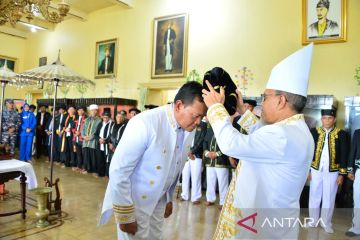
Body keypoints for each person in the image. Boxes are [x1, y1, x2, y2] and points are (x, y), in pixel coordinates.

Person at [202, 44, 314, 239]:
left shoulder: (283, 135)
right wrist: (243, 111)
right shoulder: (294, 129)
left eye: (265, 97)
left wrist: (214, 108)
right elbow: (260, 137)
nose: (262, 102)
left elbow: (231, 144)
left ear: (281, 101)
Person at [100, 81, 207, 240]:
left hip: (159, 199)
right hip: (134, 201)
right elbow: (118, 170)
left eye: (201, 116)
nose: (199, 122)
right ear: (179, 106)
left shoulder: (187, 126)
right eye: (196, 116)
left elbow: (174, 165)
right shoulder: (145, 123)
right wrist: (125, 215)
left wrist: (168, 198)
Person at [307, 109, 349, 233]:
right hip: (315, 169)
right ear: (321, 119)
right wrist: (309, 169)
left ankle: (326, 223)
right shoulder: (314, 132)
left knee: (329, 197)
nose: (327, 120)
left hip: (333, 171)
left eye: (330, 118)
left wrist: (342, 173)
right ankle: (313, 221)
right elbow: (309, 151)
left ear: (334, 119)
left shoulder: (342, 134)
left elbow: (344, 154)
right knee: (314, 195)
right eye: (324, 118)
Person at [180, 117, 207, 204]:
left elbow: (201, 140)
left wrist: (192, 151)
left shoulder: (203, 125)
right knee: (185, 175)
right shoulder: (187, 123)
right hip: (186, 154)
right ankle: (184, 195)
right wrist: (187, 151)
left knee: (196, 177)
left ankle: (195, 198)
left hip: (196, 155)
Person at [203, 124, 230, 209]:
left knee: (223, 183)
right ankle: (210, 199)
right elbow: (205, 142)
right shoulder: (209, 129)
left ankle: (223, 202)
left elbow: (227, 143)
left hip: (221, 160)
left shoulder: (226, 129)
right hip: (210, 161)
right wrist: (207, 153)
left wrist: (217, 153)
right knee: (210, 181)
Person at [346, 129, 360, 237]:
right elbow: (353, 150)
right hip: (359, 169)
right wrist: (350, 169)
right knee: (358, 199)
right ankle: (356, 228)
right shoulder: (358, 132)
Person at [81, 104, 102, 175]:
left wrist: (89, 138)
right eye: (91, 110)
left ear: (96, 111)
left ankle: (93, 170)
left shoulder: (99, 120)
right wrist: (84, 136)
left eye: (94, 110)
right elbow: (83, 129)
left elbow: (96, 131)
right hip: (85, 141)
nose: (93, 112)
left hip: (93, 141)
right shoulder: (86, 120)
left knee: (93, 156)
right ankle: (87, 168)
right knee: (86, 155)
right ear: (90, 111)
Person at [108, 110, 128, 177]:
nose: (119, 118)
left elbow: (126, 139)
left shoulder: (126, 126)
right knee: (111, 161)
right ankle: (111, 175)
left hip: (120, 148)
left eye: (121, 117)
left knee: (119, 164)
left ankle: (117, 177)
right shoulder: (113, 124)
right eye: (118, 117)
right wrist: (110, 143)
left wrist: (117, 147)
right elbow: (110, 135)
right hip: (112, 147)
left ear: (124, 117)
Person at [95, 109, 114, 178]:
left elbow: (112, 135)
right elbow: (96, 134)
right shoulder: (100, 123)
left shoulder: (112, 124)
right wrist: (99, 139)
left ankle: (107, 174)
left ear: (109, 117)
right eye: (104, 117)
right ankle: (100, 173)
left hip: (107, 145)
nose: (105, 119)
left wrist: (105, 141)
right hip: (100, 144)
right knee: (100, 159)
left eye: (107, 117)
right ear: (102, 117)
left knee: (107, 160)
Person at [72, 105, 87, 172]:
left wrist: (80, 133)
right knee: (78, 154)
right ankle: (79, 166)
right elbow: (72, 127)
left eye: (82, 110)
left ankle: (84, 167)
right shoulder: (76, 118)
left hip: (82, 138)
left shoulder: (86, 118)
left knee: (84, 154)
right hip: (76, 138)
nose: (80, 111)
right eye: (79, 110)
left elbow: (87, 129)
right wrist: (75, 132)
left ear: (84, 111)